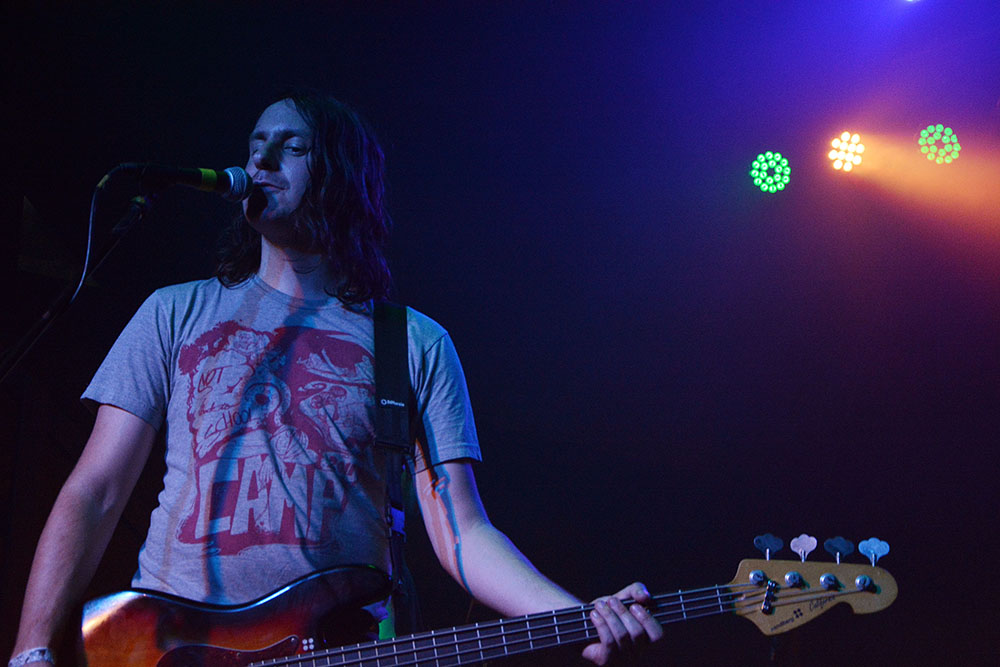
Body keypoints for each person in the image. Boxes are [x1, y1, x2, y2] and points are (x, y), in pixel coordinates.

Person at [8, 90, 662, 667]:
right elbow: (96, 491)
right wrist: (33, 648)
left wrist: (579, 615)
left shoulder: (412, 343)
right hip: (168, 649)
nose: (261, 159)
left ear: (344, 178)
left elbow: (462, 532)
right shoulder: (174, 312)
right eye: (255, 143)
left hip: (338, 644)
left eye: (291, 146)